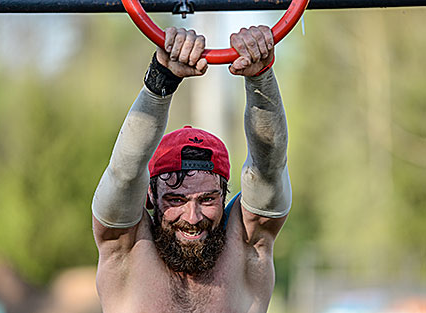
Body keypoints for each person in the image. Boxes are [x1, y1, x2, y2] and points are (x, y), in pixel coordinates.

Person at [92, 25, 291, 313]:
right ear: (150, 195)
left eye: (207, 199)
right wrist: (162, 77)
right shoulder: (125, 248)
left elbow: (269, 169)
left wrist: (261, 77)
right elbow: (124, 174)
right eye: (176, 199)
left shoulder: (247, 247)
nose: (193, 217)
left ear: (224, 197)